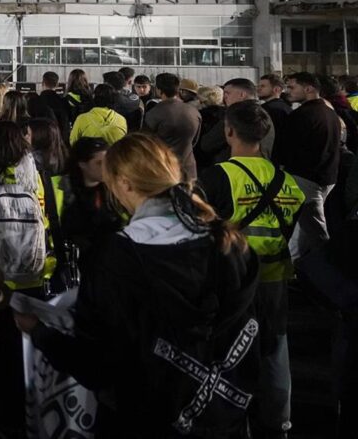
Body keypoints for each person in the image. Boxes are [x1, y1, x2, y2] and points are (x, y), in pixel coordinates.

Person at [16, 133, 260, 438]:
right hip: (222, 418)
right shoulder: (228, 242)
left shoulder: (115, 258)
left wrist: (39, 331)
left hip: (144, 419)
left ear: (125, 184)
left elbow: (98, 364)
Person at [198, 101, 303, 438]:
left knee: (228, 352)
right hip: (275, 279)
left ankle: (229, 418)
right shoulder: (286, 180)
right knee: (275, 349)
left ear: (228, 131)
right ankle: (278, 421)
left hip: (230, 281)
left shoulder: (216, 177)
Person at [0, 119, 49, 435]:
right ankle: (38, 416)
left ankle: (8, 420)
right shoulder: (35, 174)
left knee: (6, 354)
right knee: (35, 352)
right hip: (35, 276)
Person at [274, 72, 342, 261]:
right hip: (326, 176)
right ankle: (293, 262)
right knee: (303, 228)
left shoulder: (302, 115)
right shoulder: (329, 112)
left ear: (309, 88)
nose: (288, 91)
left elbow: (285, 149)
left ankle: (331, 264)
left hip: (306, 179)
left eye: (292, 87)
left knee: (315, 230)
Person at [54, 136, 121, 253]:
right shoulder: (61, 189)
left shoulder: (115, 189)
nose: (106, 167)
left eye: (107, 162)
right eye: (99, 163)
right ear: (82, 164)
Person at [198, 78, 276, 165]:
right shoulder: (263, 114)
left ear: (242, 94)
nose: (224, 97)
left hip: (233, 168)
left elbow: (207, 143)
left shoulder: (236, 114)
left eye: (228, 93)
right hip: (261, 166)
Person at [142, 72, 202, 179]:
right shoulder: (193, 111)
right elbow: (194, 140)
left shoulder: (154, 113)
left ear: (159, 90)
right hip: (188, 167)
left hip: (163, 168)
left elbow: (145, 142)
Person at [39, 71, 72, 141]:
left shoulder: (36, 101)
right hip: (59, 139)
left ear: (43, 83)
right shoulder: (63, 102)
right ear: (57, 85)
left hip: (41, 139)